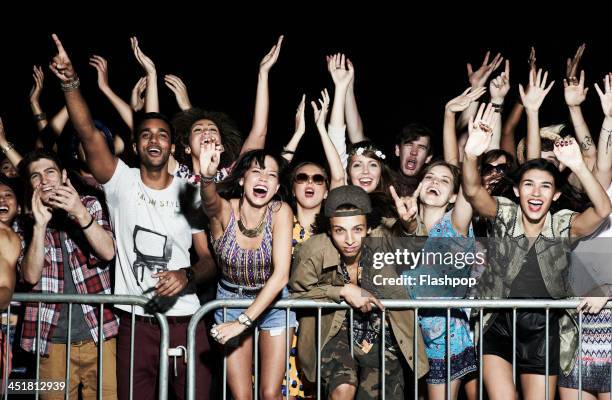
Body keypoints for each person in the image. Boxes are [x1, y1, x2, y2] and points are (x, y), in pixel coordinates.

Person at [47, 33, 214, 400]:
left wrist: (186, 275)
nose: (155, 141)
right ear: (136, 145)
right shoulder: (120, 180)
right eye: (146, 135)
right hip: (136, 321)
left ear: (172, 145)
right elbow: (87, 132)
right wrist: (71, 84)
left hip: (187, 320)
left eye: (163, 135)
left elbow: (207, 261)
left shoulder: (190, 193)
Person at [462, 102, 612, 400]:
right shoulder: (504, 214)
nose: (535, 192)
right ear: (517, 191)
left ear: (555, 194)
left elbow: (603, 209)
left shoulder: (562, 225)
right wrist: (470, 154)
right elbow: (473, 192)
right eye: (528, 184)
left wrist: (580, 165)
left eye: (545, 187)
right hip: (499, 326)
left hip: (544, 330)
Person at [289, 185, 429, 399]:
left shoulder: (382, 240)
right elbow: (296, 294)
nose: (350, 240)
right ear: (329, 229)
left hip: (382, 336)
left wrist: (410, 224)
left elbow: (411, 246)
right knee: (342, 389)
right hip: (336, 331)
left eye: (357, 229)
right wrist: (342, 290)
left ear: (369, 227)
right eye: (339, 230)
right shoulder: (313, 250)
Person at [18, 150, 118, 400]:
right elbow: (30, 276)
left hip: (99, 336)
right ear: (30, 185)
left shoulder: (90, 205)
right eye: (36, 176)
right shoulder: (25, 224)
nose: (44, 180)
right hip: (52, 344)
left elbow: (107, 252)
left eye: (50, 172)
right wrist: (40, 226)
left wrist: (79, 212)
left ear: (63, 175)